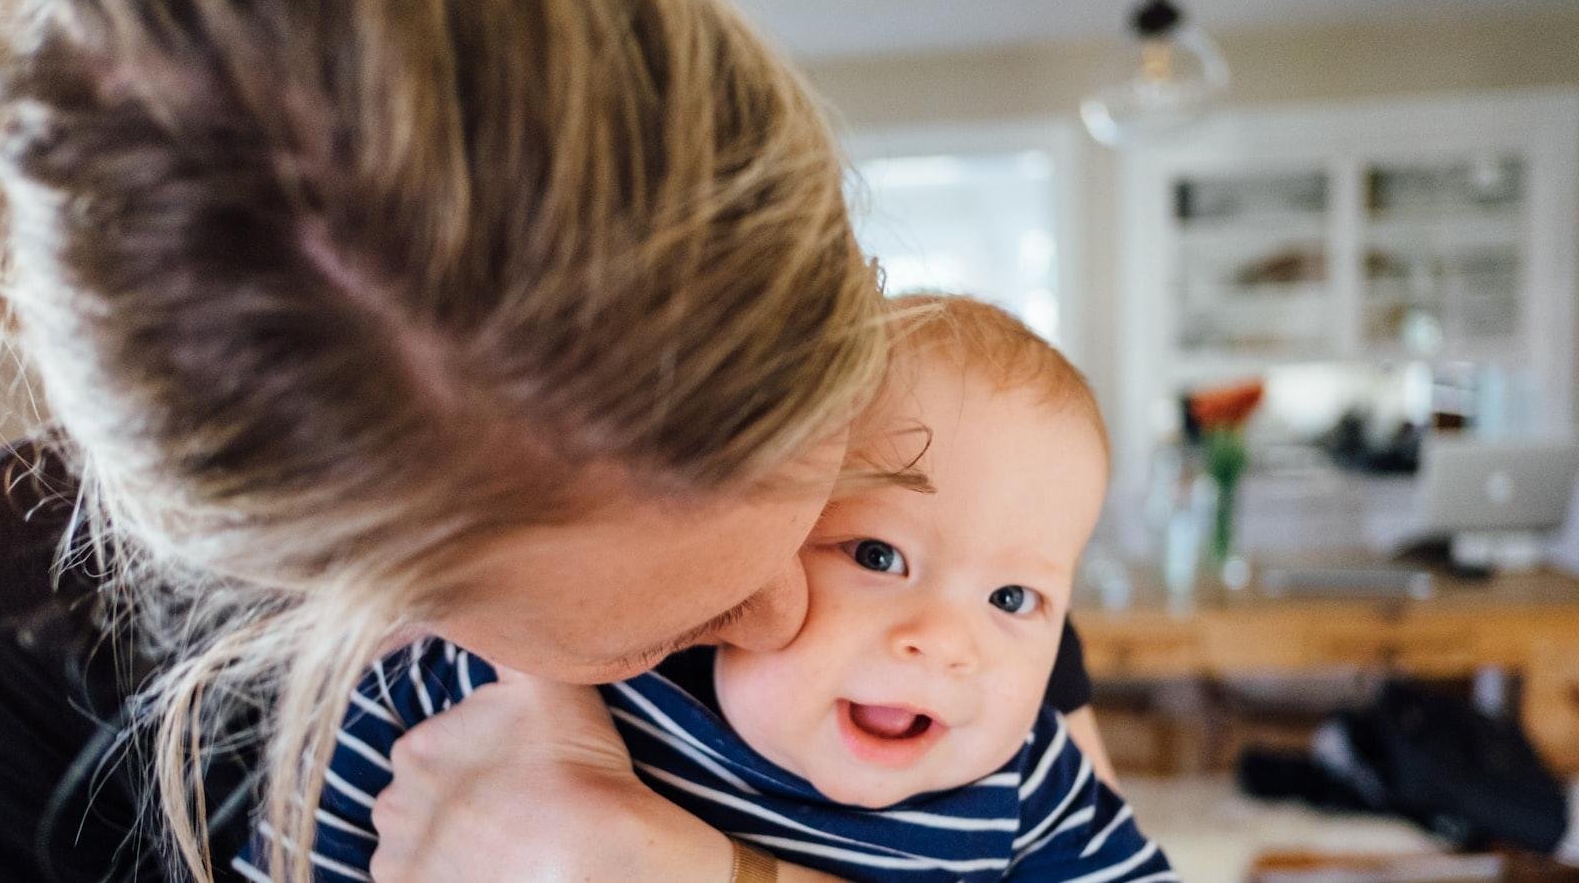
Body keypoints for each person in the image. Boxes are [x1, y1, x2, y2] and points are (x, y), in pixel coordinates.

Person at [0, 0, 1113, 881]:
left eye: (831, 507)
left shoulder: (940, 489)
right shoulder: (17, 695)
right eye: (670, 625)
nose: (787, 610)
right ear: (353, 604)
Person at [258, 296, 1165, 881]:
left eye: (1013, 600)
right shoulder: (515, 674)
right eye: (876, 556)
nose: (945, 639)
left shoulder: (1028, 778)